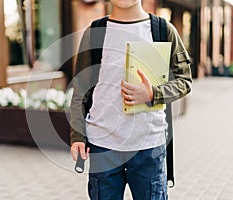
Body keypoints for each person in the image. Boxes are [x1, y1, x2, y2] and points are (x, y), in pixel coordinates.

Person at [70, 0, 192, 199]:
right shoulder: (95, 32)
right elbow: (80, 92)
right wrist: (77, 135)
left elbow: (184, 80)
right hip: (103, 144)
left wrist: (153, 93)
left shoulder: (162, 30)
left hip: (148, 146)